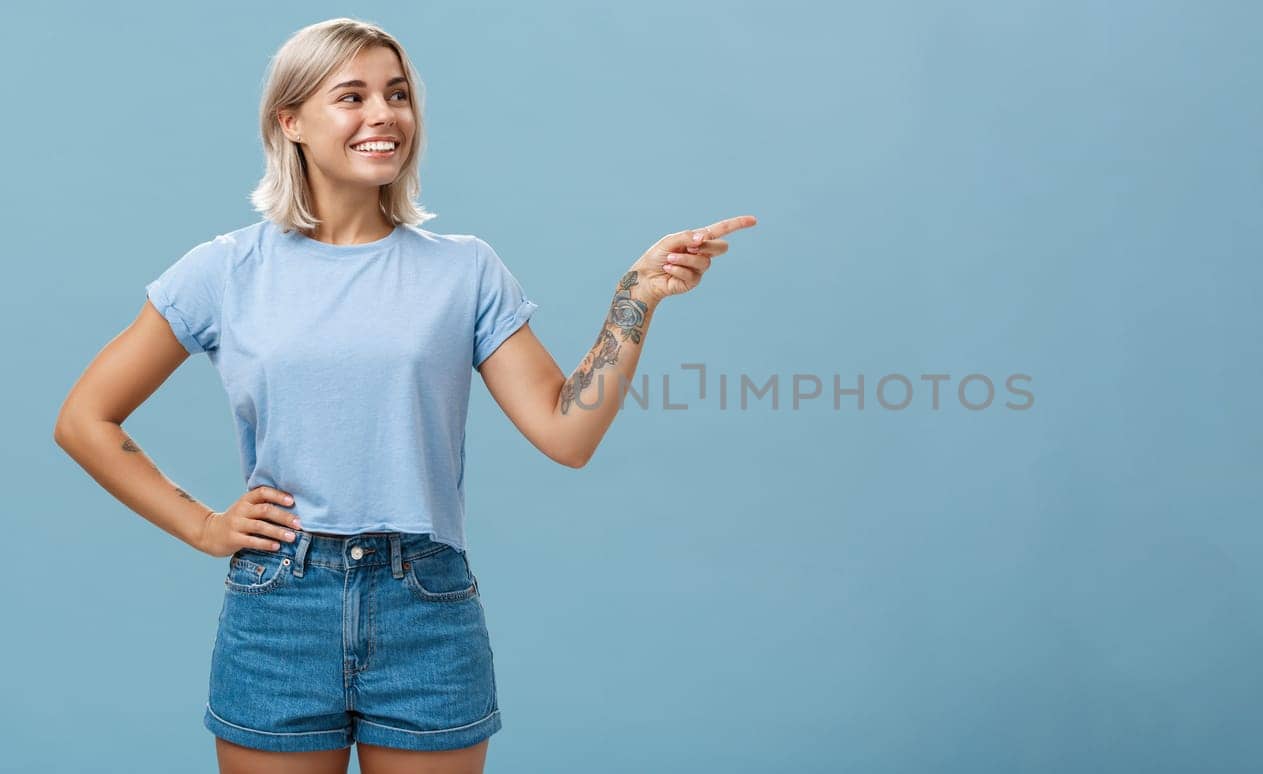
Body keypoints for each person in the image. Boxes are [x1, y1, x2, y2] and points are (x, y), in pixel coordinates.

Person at [51, 17, 756, 774]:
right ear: (290, 121)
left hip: (426, 601)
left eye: (397, 94)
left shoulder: (466, 270)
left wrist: (635, 299)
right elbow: (84, 419)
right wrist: (201, 527)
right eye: (350, 96)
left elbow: (566, 435)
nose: (384, 115)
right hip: (281, 604)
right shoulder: (225, 270)